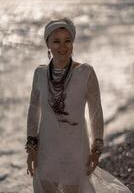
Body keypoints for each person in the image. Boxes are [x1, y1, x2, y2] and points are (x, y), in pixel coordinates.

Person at [25, 17, 132, 193]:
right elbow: (33, 110)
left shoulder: (85, 72)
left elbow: (95, 112)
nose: (63, 46)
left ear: (73, 42)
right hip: (46, 145)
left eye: (67, 40)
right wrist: (31, 148)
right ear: (48, 45)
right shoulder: (39, 73)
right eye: (56, 41)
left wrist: (96, 149)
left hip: (75, 146)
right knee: (44, 187)